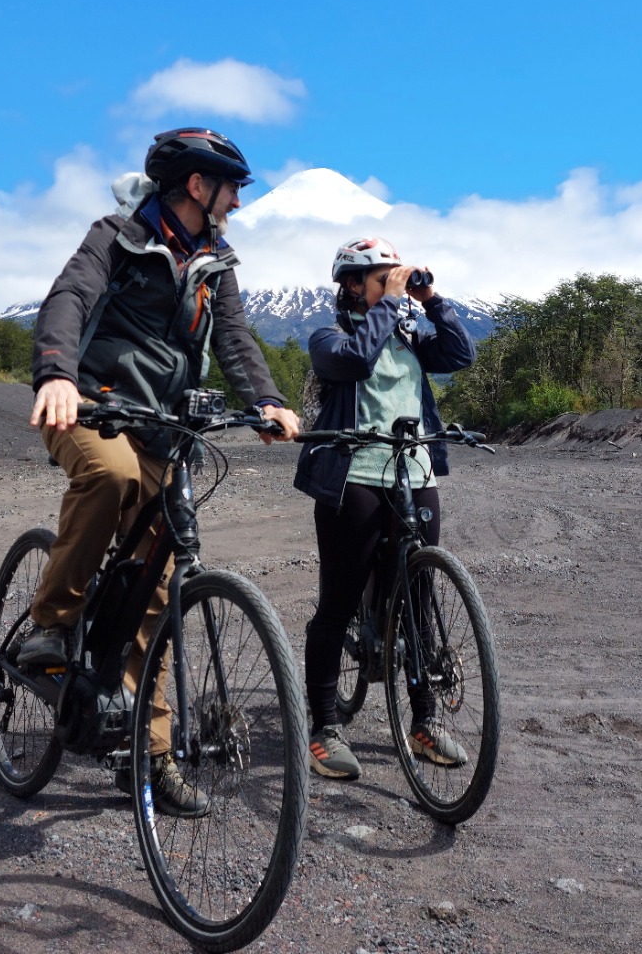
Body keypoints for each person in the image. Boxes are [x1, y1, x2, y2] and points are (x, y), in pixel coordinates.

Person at [24, 126, 302, 815]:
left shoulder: (216, 263)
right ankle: (51, 622)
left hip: (162, 428)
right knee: (112, 475)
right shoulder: (117, 236)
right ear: (197, 186)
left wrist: (265, 400)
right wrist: (56, 374)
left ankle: (147, 754)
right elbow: (69, 298)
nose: (238, 202)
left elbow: (234, 338)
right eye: (232, 188)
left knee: (160, 589)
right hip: (90, 407)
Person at [293, 237, 476, 780]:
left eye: (396, 276)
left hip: (415, 474)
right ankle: (324, 729)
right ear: (353, 285)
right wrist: (392, 304)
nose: (395, 283)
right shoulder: (329, 337)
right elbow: (353, 361)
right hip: (355, 479)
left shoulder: (409, 333)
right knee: (338, 602)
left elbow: (460, 355)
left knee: (418, 602)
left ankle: (424, 723)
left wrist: (431, 300)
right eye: (383, 277)